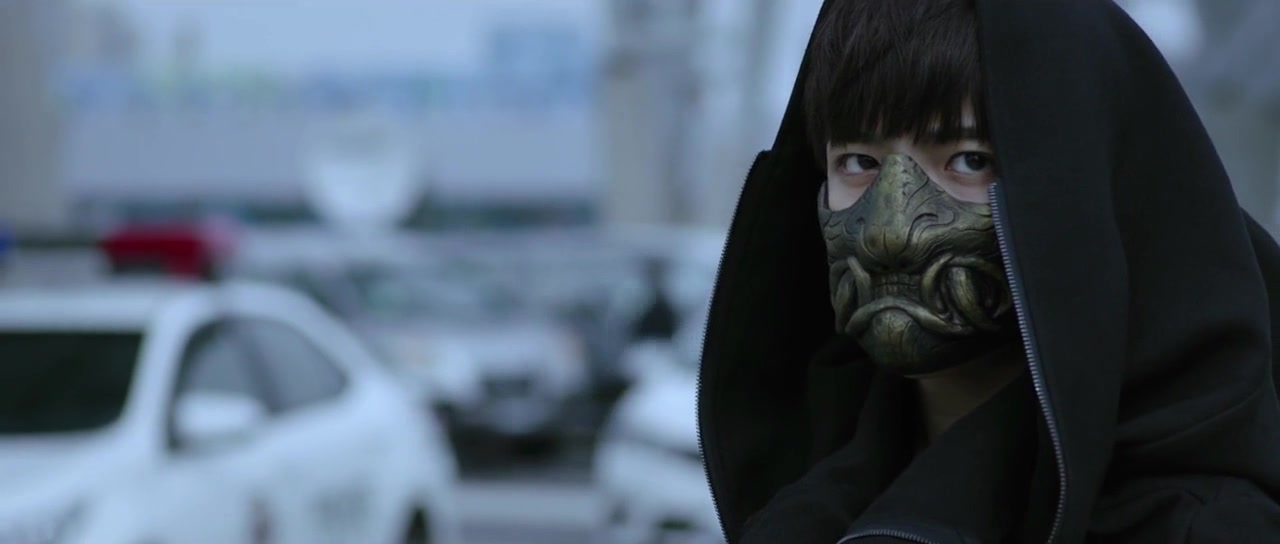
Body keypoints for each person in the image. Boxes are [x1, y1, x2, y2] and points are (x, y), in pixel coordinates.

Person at [695, 0, 1280, 543]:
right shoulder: (800, 507)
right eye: (858, 161)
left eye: (969, 159)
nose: (889, 232)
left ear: (1095, 188)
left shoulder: (1202, 528)